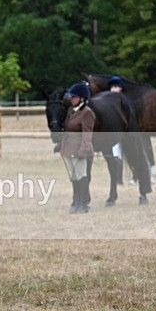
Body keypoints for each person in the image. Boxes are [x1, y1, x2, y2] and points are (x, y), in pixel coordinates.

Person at [58, 83, 96, 214]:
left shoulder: (87, 113)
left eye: (74, 97)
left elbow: (87, 134)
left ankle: (83, 203)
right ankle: (76, 200)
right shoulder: (71, 111)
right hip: (68, 148)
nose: (71, 99)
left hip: (79, 149)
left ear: (82, 98)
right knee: (73, 176)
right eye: (71, 97)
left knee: (81, 175)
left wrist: (83, 151)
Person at [107, 76, 125, 185]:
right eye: (112, 87)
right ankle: (119, 179)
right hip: (114, 132)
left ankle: (135, 176)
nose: (114, 89)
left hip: (125, 131)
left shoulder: (124, 100)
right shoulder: (108, 100)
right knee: (116, 154)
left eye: (116, 87)